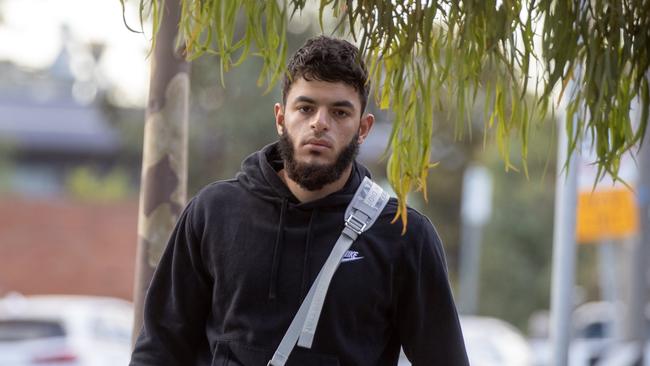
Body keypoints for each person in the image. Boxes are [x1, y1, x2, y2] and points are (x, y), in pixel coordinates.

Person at [130, 35, 469, 366]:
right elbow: (160, 347)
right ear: (281, 117)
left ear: (363, 128)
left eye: (339, 113)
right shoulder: (213, 212)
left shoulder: (403, 235)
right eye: (306, 108)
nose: (320, 124)